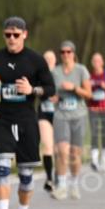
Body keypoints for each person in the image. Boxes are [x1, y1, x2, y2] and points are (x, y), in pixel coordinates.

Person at [0, 17, 55, 209]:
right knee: (3, 166)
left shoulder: (35, 60)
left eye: (15, 34)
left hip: (26, 120)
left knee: (25, 174)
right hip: (2, 118)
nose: (11, 39)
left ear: (25, 34)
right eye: (7, 35)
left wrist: (32, 90)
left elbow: (50, 89)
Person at [50, 40, 92, 200]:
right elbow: (52, 93)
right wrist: (54, 97)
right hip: (61, 115)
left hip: (79, 115)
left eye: (68, 52)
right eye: (62, 52)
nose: (65, 55)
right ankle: (61, 185)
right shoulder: (56, 72)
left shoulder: (81, 70)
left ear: (74, 54)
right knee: (62, 151)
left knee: (75, 153)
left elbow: (89, 94)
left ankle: (74, 182)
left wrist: (74, 88)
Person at [40, 49, 58, 190]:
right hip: (44, 113)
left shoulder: (60, 74)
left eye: (51, 59)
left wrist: (59, 97)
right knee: (47, 146)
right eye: (46, 59)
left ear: (55, 61)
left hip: (60, 114)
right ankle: (49, 178)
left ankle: (59, 174)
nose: (48, 61)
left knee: (58, 148)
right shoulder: (39, 75)